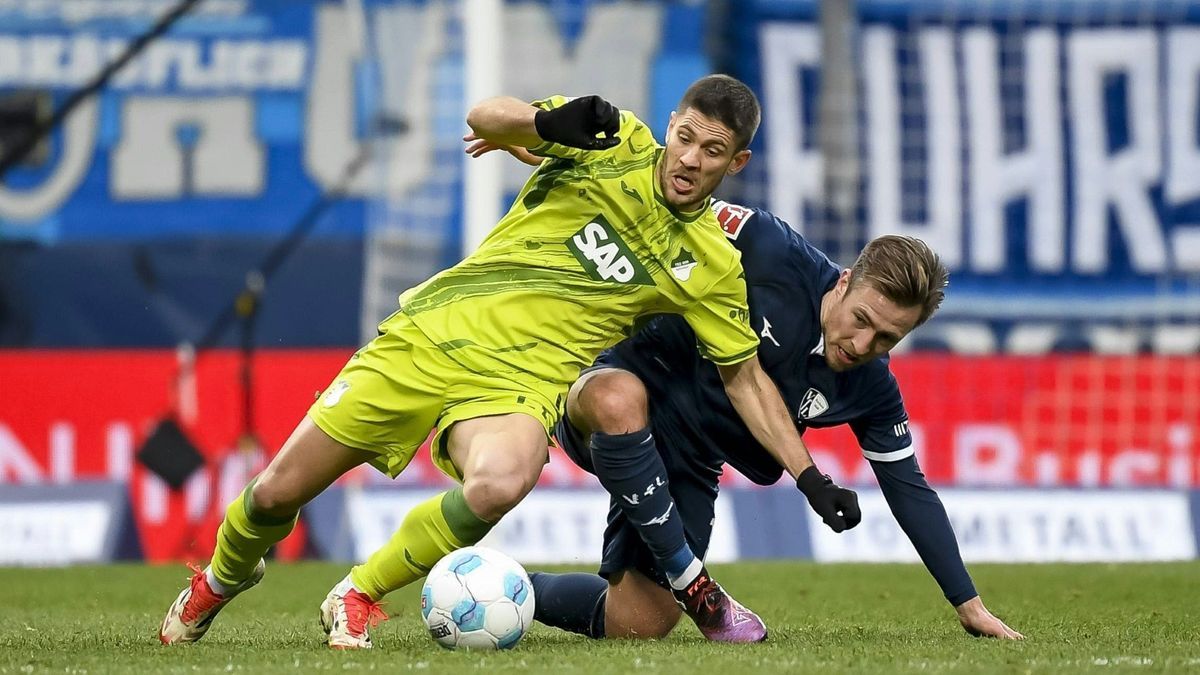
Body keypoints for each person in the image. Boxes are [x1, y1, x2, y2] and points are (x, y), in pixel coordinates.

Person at [159, 74, 855, 650]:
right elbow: (485, 117)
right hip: (430, 335)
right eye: (686, 137)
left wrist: (809, 476)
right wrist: (551, 126)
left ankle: (360, 591)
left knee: (503, 480)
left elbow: (746, 378)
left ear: (736, 164)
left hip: (521, 384)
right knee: (278, 492)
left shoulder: (708, 265)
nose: (691, 159)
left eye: (714, 150)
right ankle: (220, 577)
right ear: (671, 124)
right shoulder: (611, 141)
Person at [526, 202, 1026, 641]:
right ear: (846, 279)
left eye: (886, 339)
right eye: (861, 320)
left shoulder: (871, 387)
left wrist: (969, 603)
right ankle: (692, 581)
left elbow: (910, 489)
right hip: (625, 382)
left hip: (691, 462)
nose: (862, 345)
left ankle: (513, 588)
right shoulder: (769, 247)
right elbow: (666, 202)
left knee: (638, 624)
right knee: (617, 398)